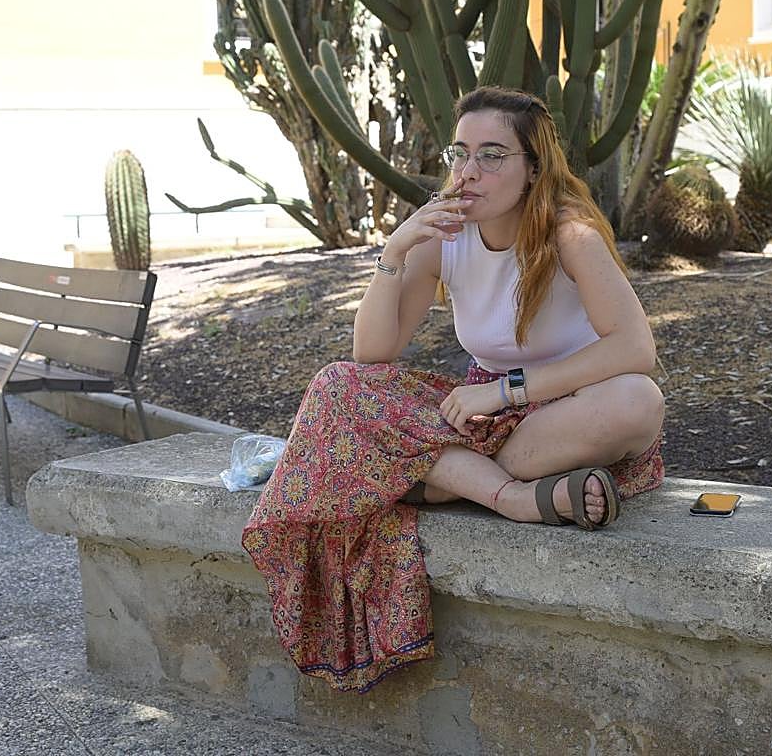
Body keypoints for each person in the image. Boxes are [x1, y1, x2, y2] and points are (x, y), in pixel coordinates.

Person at [242, 86, 665, 693]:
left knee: (638, 401)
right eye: (461, 152)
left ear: (533, 169)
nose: (469, 171)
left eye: (493, 155)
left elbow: (634, 350)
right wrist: (395, 250)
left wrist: (507, 393)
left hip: (560, 414)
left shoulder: (570, 237)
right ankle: (514, 498)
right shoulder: (446, 233)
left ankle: (432, 479)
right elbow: (372, 354)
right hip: (482, 420)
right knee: (338, 385)